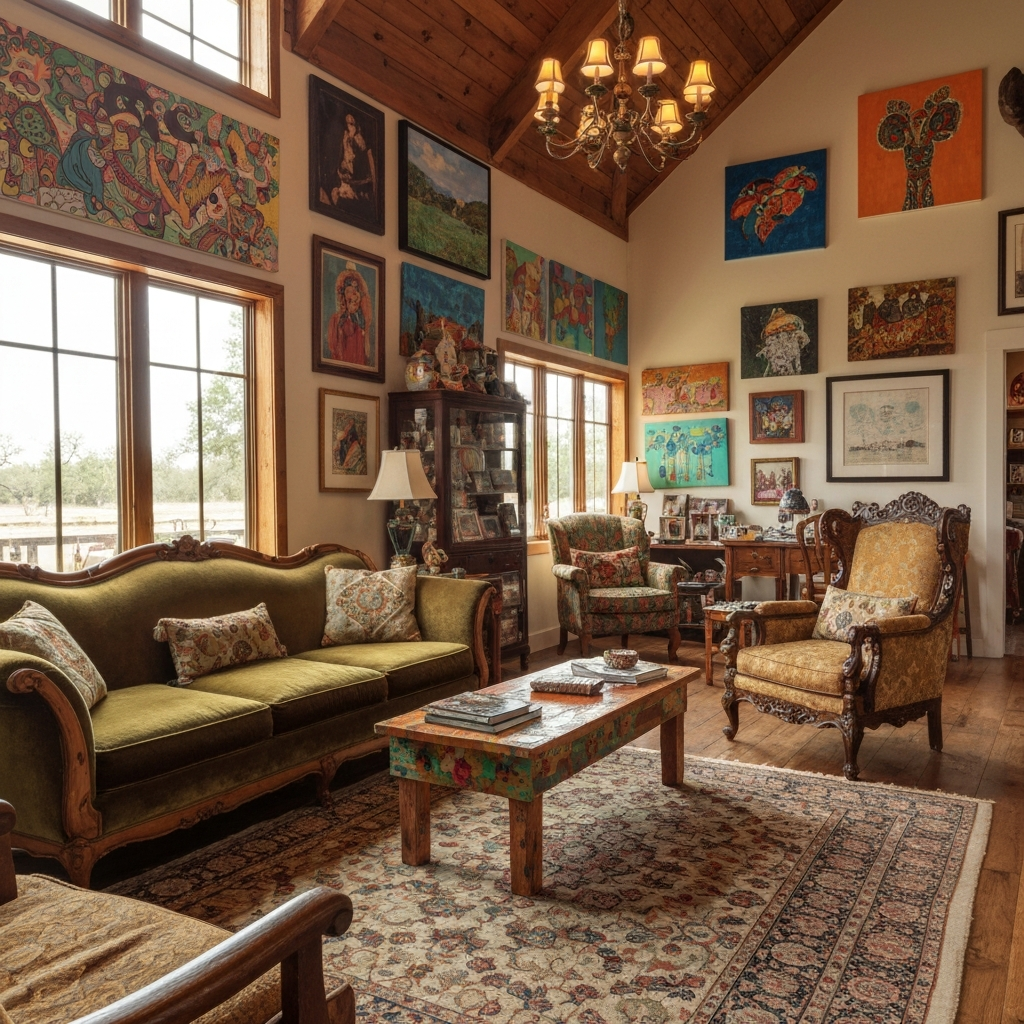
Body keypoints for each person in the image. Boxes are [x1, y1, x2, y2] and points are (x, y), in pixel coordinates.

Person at [327, 262, 373, 366]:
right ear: (343, 296)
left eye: (356, 291)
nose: (354, 295)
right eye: (349, 291)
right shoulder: (335, 320)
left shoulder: (363, 322)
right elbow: (333, 347)